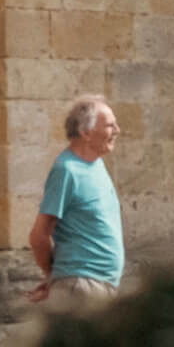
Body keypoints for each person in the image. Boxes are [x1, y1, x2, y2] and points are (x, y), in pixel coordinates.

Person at [28, 94, 124, 313]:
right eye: (110, 125)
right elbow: (39, 235)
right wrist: (56, 278)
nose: (117, 130)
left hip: (97, 285)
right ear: (86, 132)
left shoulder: (96, 164)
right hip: (82, 287)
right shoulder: (66, 170)